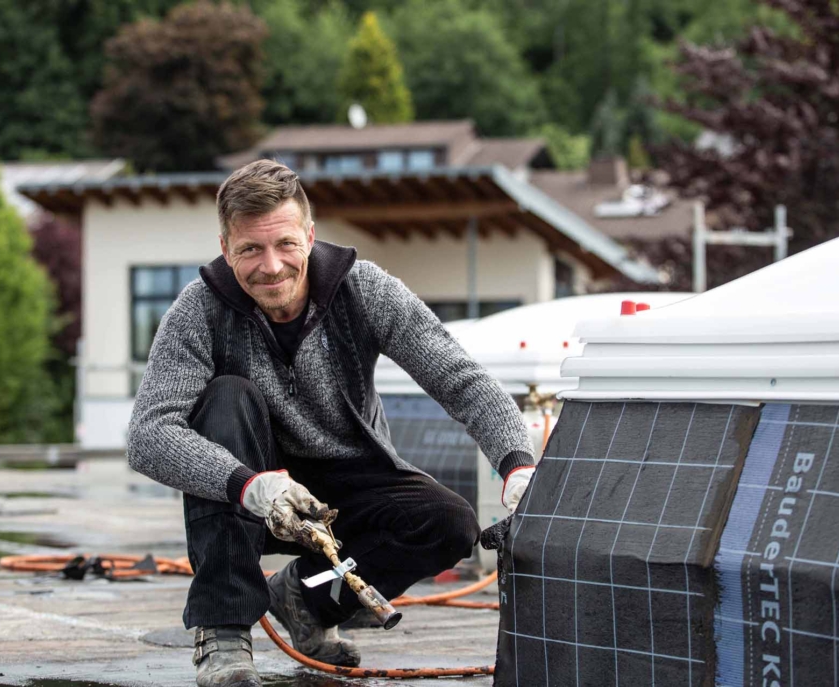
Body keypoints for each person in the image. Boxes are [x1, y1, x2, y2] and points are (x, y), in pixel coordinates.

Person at [127, 159, 537, 687]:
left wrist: (517, 464)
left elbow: (461, 379)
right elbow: (148, 434)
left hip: (350, 479)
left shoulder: (364, 290)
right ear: (226, 249)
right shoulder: (199, 310)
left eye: (285, 244)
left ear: (310, 235)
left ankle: (306, 600)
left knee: (449, 524)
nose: (271, 266)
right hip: (248, 483)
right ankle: (223, 629)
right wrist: (248, 484)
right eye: (250, 249)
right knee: (228, 397)